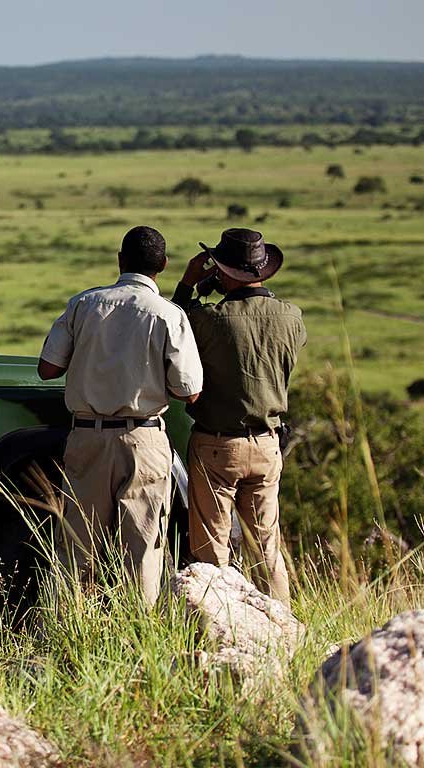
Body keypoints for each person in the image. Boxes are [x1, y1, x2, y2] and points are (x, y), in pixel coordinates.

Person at [38, 226, 203, 607]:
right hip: (143, 439)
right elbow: (189, 390)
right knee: (143, 548)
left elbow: (47, 369)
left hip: (87, 437)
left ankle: (67, 630)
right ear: (162, 265)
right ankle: (138, 634)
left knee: (76, 545)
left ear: (120, 260)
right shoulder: (168, 314)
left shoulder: (84, 304)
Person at [171, 228, 305, 605]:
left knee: (212, 552)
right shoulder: (291, 316)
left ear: (224, 271)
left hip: (217, 445)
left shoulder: (210, 319)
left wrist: (189, 284)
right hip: (268, 444)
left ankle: (219, 628)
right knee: (266, 550)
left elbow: (172, 327)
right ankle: (278, 622)